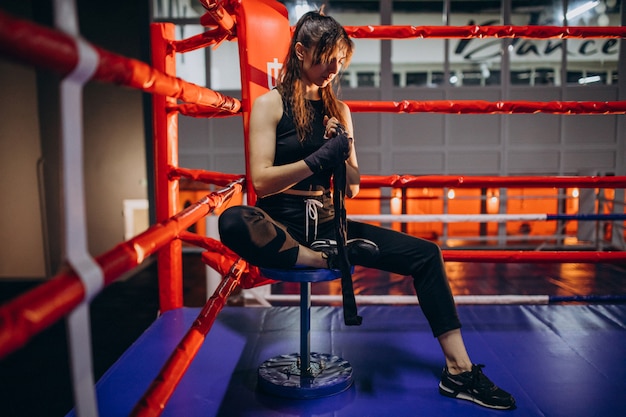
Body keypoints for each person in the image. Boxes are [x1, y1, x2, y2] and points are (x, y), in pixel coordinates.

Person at [218, 10, 516, 411]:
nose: (333, 70)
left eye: (341, 62)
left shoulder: (339, 111)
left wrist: (340, 150)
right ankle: (318, 257)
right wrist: (319, 157)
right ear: (301, 51)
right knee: (234, 220)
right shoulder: (270, 105)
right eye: (328, 59)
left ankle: (459, 371)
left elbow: (353, 186)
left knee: (427, 255)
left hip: (328, 222)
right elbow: (261, 181)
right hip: (280, 224)